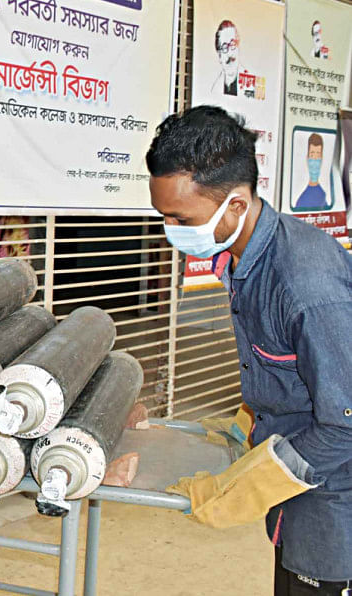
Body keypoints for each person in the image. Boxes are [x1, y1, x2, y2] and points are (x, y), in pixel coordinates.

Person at [147, 105, 352, 595]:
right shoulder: (244, 260)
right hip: (295, 508)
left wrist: (246, 487)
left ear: (236, 205)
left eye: (180, 218)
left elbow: (345, 422)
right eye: (163, 216)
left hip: (334, 517)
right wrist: (247, 423)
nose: (170, 229)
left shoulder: (305, 284)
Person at [295, 133, 328, 210]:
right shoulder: (301, 198)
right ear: (307, 158)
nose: (315, 160)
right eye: (312, 155)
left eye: (318, 155)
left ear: (322, 158)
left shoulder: (325, 195)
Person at [213, 20, 241, 97]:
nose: (230, 53)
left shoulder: (250, 86)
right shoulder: (214, 88)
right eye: (225, 47)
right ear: (219, 56)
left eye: (232, 44)